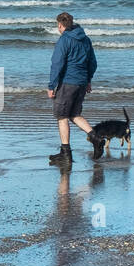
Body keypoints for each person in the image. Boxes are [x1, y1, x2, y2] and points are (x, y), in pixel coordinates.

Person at [47, 11, 97, 166]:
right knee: (74, 114)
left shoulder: (64, 40)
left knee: (62, 117)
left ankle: (66, 154)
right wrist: (88, 80)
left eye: (58, 26)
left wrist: (51, 85)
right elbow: (92, 62)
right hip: (81, 82)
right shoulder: (85, 39)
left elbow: (57, 64)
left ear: (60, 25)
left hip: (67, 83)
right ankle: (96, 138)